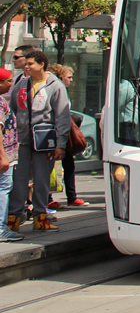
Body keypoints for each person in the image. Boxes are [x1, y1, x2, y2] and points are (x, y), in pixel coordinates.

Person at [7, 51, 71, 232]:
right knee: (18, 179)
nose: (26, 67)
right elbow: (12, 111)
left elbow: (62, 117)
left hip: (45, 140)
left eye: (30, 64)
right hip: (21, 140)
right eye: (25, 64)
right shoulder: (21, 84)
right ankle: (14, 218)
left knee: (42, 180)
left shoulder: (55, 86)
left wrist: (61, 144)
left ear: (41, 64)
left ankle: (40, 217)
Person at [48, 64, 88, 208]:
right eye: (68, 77)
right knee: (50, 166)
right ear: (60, 77)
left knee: (68, 165)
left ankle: (71, 196)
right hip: (55, 133)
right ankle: (48, 198)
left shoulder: (62, 90)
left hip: (63, 133)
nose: (71, 80)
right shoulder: (55, 89)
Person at [0, 69, 24, 242]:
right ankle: (1, 228)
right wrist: (3, 156)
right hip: (4, 154)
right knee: (3, 188)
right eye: (8, 81)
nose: (11, 84)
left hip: (6, 153)